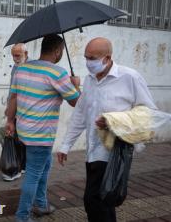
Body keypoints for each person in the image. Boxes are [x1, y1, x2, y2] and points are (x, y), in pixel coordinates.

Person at [57, 37, 157, 222]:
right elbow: (80, 113)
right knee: (104, 201)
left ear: (107, 57)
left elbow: (148, 113)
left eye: (92, 58)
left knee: (95, 201)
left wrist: (114, 121)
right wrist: (65, 145)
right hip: (92, 151)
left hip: (115, 151)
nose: (88, 62)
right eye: (86, 57)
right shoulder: (89, 80)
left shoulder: (130, 77)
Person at [6, 34, 80, 222]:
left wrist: (10, 121)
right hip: (40, 134)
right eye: (61, 51)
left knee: (45, 165)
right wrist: (76, 86)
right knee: (33, 173)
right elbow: (76, 102)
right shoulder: (57, 73)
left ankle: (41, 203)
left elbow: (13, 98)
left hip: (24, 129)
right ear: (57, 51)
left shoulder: (22, 68)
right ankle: (22, 216)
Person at [1, 43, 29, 182]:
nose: (15, 58)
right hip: (15, 107)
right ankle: (17, 166)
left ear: (26, 54)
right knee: (15, 137)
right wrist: (9, 107)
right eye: (13, 55)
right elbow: (12, 90)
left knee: (21, 139)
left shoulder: (30, 68)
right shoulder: (15, 68)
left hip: (26, 109)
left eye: (17, 55)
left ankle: (19, 167)